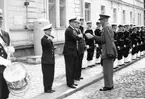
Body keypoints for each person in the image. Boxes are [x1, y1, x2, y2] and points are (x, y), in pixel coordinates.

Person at [85, 14, 117, 91]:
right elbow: (105, 39)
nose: (100, 22)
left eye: (101, 20)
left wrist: (109, 52)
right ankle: (110, 84)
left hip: (107, 50)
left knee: (107, 70)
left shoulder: (106, 28)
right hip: (109, 49)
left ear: (104, 20)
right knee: (109, 69)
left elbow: (107, 40)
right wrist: (94, 36)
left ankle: (108, 85)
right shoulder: (108, 27)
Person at [63, 17, 83, 88]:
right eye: (75, 22)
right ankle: (69, 83)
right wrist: (80, 36)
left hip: (72, 51)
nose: (76, 24)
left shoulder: (72, 29)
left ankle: (72, 82)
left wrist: (79, 36)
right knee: (69, 68)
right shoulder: (69, 30)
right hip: (69, 52)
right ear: (71, 23)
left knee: (73, 67)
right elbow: (76, 38)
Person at [0, 9, 11, 99]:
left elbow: (7, 50)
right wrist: (2, 61)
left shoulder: (5, 34)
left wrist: (10, 50)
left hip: (5, 71)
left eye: (1, 18)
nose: (0, 21)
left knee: (5, 94)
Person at [41, 23, 55, 93]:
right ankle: (46, 88)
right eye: (49, 31)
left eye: (50, 31)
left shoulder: (49, 38)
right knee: (47, 75)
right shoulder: (43, 39)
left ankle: (50, 87)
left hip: (51, 60)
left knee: (51, 74)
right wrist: (50, 38)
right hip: (46, 60)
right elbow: (47, 43)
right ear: (45, 31)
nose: (50, 32)